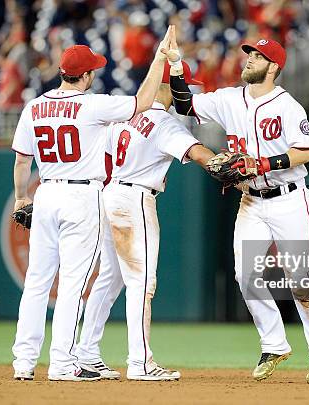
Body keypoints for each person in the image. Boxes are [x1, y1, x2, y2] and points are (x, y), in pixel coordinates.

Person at [10, 26, 175, 382]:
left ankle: (23, 363)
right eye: (92, 71)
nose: (93, 75)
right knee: (72, 283)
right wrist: (161, 58)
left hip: (46, 190)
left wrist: (23, 196)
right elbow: (144, 101)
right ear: (84, 75)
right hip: (81, 195)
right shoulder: (92, 104)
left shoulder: (35, 106)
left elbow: (23, 161)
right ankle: (63, 363)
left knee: (37, 282)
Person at [168, 38, 309, 384]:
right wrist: (174, 65)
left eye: (258, 57)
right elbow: (184, 105)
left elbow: (306, 151)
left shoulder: (288, 106)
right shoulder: (229, 98)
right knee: (246, 276)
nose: (250, 60)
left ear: (273, 67)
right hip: (251, 202)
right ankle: (274, 344)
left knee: (299, 281)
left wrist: (262, 163)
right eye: (250, 55)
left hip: (290, 200)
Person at [75, 61, 215, 381]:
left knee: (109, 280)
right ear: (164, 86)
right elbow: (196, 152)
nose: (185, 93)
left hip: (110, 194)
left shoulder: (126, 113)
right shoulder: (165, 123)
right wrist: (224, 164)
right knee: (142, 284)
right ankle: (140, 363)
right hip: (136, 200)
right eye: (179, 86)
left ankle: (86, 354)